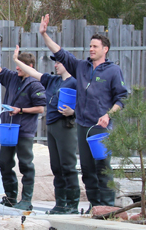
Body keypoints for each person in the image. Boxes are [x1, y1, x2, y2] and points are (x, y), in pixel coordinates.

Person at [38, 14, 128, 208]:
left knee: (102, 167)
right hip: (82, 125)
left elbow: (122, 98)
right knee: (87, 169)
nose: (91, 49)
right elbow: (61, 53)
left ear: (105, 49)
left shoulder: (112, 71)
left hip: (100, 127)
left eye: (95, 46)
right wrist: (44, 35)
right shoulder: (81, 67)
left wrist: (108, 115)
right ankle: (95, 206)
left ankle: (108, 205)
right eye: (90, 46)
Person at [0, 37, 46, 211]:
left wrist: (21, 110)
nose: (17, 68)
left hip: (24, 130)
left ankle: (26, 199)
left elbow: (40, 108)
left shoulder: (36, 84)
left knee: (25, 164)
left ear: (29, 67)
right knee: (4, 162)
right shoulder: (12, 78)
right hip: (8, 129)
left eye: (20, 65)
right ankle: (10, 197)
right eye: (17, 65)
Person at [12, 46, 79, 214]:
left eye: (59, 62)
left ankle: (72, 205)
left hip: (66, 126)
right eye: (55, 62)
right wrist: (16, 61)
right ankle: (60, 203)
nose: (56, 65)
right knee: (56, 166)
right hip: (52, 126)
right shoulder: (52, 80)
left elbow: (87, 103)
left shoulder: (76, 81)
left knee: (68, 165)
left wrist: (74, 111)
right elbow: (33, 73)